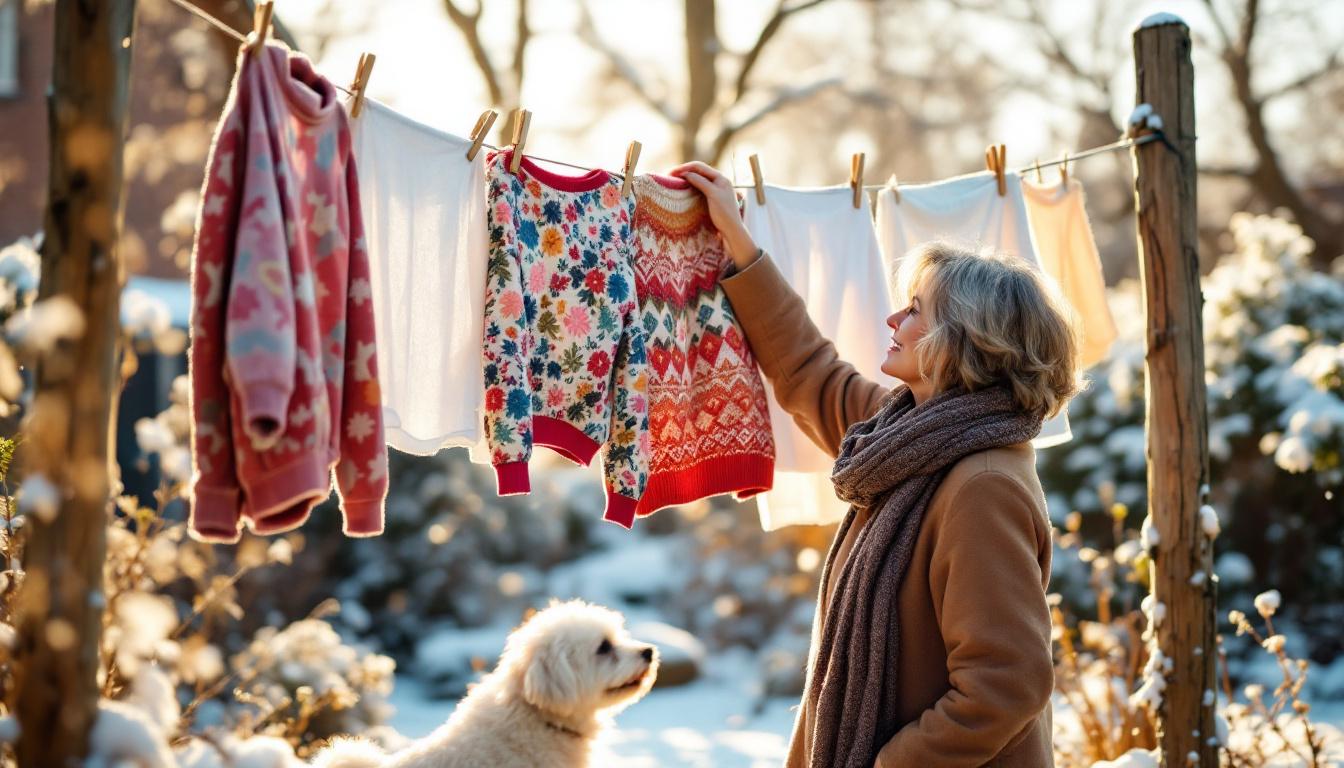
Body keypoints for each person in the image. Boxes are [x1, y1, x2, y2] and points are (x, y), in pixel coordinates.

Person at [668, 161, 1080, 767]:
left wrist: (886, 763)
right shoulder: (906, 439)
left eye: (916, 310)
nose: (894, 320)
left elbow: (1005, 684)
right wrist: (740, 244)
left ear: (964, 340)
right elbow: (809, 372)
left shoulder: (981, 486)